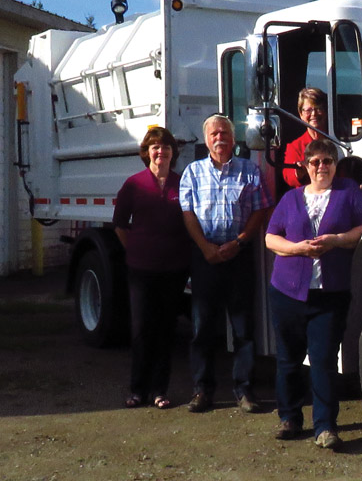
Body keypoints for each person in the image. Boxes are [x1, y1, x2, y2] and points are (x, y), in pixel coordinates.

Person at [265, 138, 362, 449]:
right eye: (316, 162)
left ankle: (325, 427)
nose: (322, 167)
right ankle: (290, 418)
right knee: (289, 358)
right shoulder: (290, 199)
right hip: (286, 293)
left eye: (328, 161)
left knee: (323, 360)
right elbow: (271, 238)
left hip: (330, 294)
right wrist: (297, 248)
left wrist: (336, 240)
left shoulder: (348, 192)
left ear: (335, 165)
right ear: (305, 167)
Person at [179, 114, 273, 414]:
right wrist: (205, 248)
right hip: (204, 257)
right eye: (214, 134)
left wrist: (240, 242)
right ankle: (202, 391)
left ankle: (244, 391)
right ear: (206, 140)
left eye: (225, 134)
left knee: (244, 328)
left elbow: (260, 211)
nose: (220, 138)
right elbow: (188, 214)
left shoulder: (250, 171)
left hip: (239, 256)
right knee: (203, 328)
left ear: (234, 140)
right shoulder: (192, 173)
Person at [113, 126, 191, 410]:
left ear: (173, 152)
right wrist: (133, 248)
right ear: (147, 153)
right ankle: (137, 390)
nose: (161, 151)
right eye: (155, 147)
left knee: (165, 329)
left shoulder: (182, 183)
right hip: (141, 270)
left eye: (166, 147)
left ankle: (160, 390)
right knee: (141, 330)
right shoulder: (134, 184)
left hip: (174, 269)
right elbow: (120, 223)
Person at [282, 87, 328, 188]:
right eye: (308, 110)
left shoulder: (339, 140)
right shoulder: (295, 147)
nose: (314, 114)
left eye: (319, 108)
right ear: (301, 115)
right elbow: (288, 177)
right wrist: (298, 172)